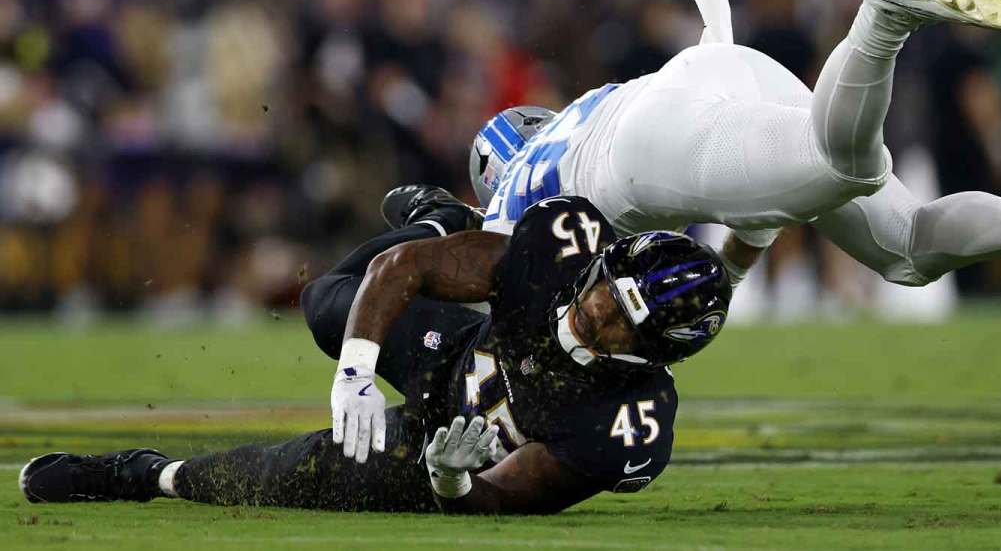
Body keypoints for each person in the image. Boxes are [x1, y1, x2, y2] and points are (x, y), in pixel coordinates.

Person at [470, 0, 1001, 336]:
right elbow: (747, 224)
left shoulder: (512, 205)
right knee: (906, 249)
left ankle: (883, 19)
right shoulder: (572, 119)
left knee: (836, 163)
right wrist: (732, 277)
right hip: (716, 69)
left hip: (655, 141)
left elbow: (472, 293)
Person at [20, 194, 731, 514]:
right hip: (451, 354)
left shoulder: (628, 424)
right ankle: (441, 215)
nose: (594, 309)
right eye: (607, 287)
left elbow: (512, 497)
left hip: (437, 457)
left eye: (619, 321)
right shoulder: (559, 249)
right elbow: (406, 270)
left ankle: (132, 474)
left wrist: (451, 481)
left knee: (283, 476)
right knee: (328, 303)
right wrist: (355, 370)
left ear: (656, 351)